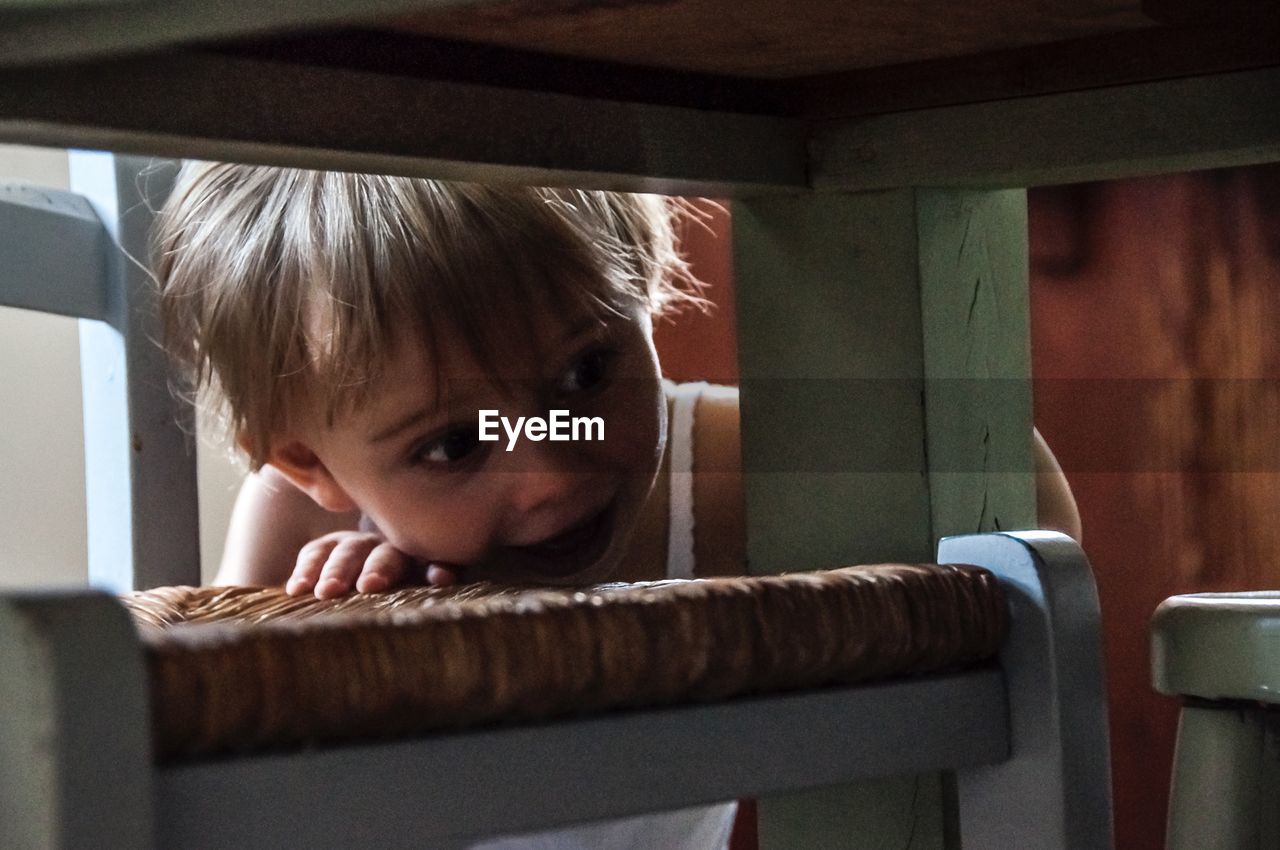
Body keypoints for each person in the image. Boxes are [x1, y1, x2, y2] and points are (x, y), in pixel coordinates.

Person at [151, 161, 1081, 848]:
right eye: (455, 445)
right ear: (312, 463)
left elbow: (1007, 489)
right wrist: (335, 659)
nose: (553, 468)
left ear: (642, 282)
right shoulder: (306, 534)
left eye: (585, 374)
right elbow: (229, 812)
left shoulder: (716, 477)